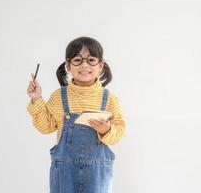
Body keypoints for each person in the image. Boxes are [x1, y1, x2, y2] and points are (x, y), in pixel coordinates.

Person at [26, 36, 126, 193]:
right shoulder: (59, 96)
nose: (84, 65)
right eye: (77, 60)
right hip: (64, 174)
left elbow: (120, 131)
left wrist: (107, 130)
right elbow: (45, 127)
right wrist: (36, 99)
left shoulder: (109, 99)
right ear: (68, 65)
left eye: (91, 60)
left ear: (101, 66)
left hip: (97, 175)